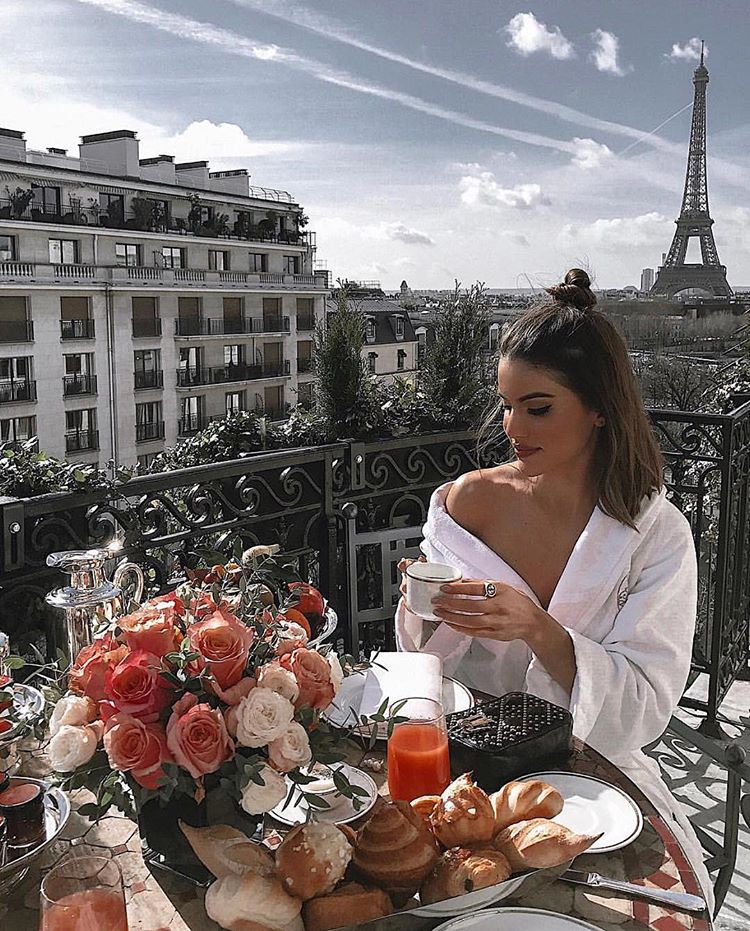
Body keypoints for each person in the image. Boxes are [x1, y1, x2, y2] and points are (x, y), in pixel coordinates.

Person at [395, 268, 712, 905]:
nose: (513, 426)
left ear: (600, 408)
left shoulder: (656, 533)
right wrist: (426, 603)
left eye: (537, 408)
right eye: (507, 404)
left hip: (594, 777)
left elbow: (646, 704)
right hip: (467, 768)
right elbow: (417, 654)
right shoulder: (470, 502)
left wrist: (537, 629)